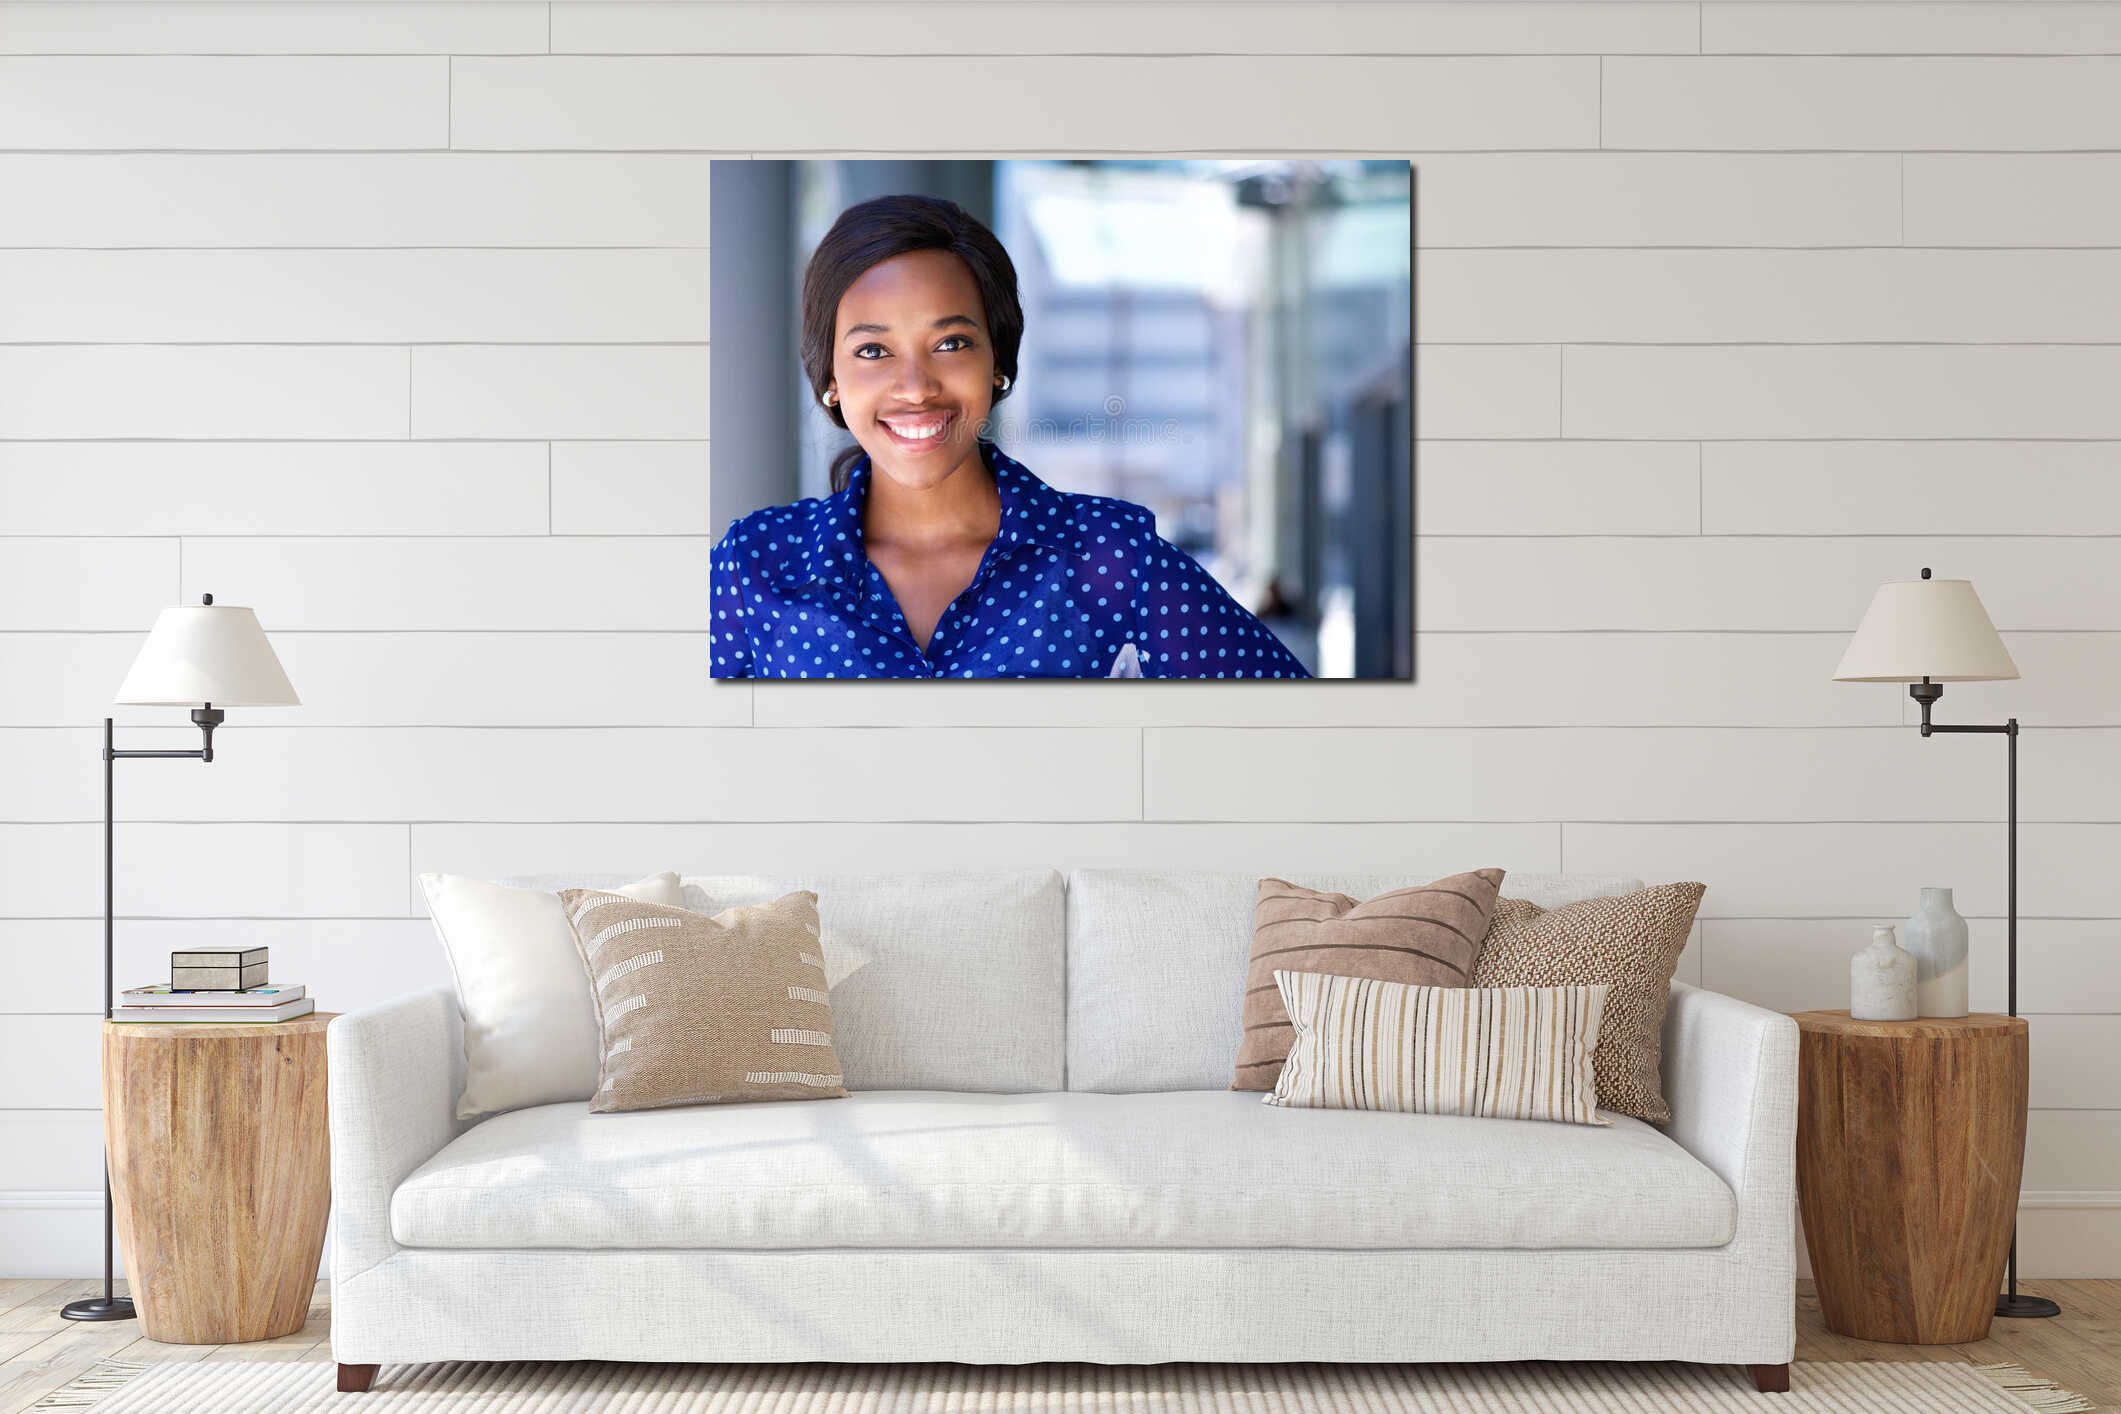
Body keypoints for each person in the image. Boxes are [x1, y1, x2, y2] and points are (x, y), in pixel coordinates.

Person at [710, 193, 1309, 681]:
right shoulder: (753, 566)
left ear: (997, 361)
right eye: (872, 350)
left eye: (951, 343)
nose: (915, 387)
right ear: (831, 379)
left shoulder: (1112, 559)